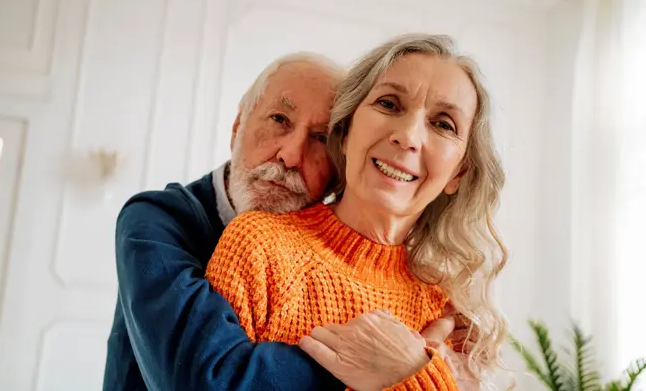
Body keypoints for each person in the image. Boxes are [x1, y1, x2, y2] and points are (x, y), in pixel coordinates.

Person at [102, 52, 462, 391]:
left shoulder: (421, 281)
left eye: (320, 138)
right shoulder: (154, 220)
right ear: (238, 125)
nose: (290, 155)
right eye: (279, 120)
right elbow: (202, 380)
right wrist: (386, 365)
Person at [206, 34, 508, 390]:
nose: (408, 135)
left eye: (443, 124)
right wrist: (415, 379)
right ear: (346, 131)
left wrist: (413, 375)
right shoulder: (259, 245)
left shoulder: (446, 305)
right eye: (390, 104)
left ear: (459, 172)